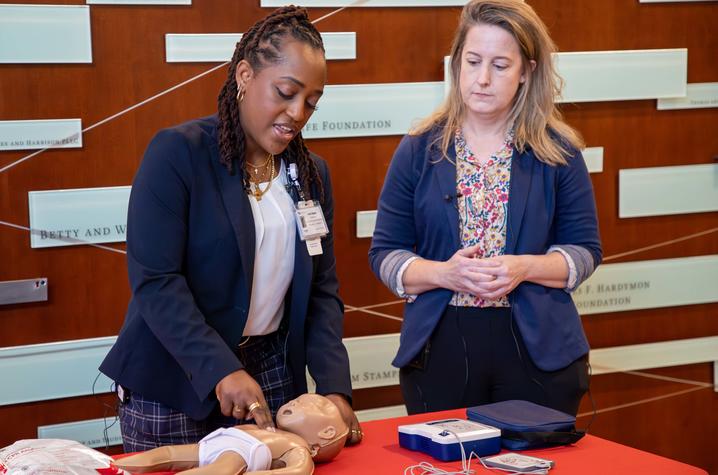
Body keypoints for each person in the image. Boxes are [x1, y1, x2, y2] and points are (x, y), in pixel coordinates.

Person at [99, 6, 361, 452]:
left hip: (273, 377)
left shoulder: (312, 174)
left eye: (311, 102)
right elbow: (157, 283)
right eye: (286, 92)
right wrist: (221, 370)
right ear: (244, 75)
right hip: (174, 382)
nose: (297, 113)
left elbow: (322, 291)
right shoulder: (177, 155)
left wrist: (335, 388)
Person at [369, 0, 601, 417]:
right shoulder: (419, 149)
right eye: (473, 61)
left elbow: (585, 253)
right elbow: (385, 254)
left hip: (538, 352)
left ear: (526, 71)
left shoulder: (559, 152)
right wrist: (444, 273)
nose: (482, 79)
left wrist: (523, 268)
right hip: (440, 349)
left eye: (500, 65)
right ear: (457, 63)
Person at [113, 394, 349, 475]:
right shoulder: (272, 429)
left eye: (313, 405)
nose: (298, 401)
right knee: (164, 454)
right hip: (218, 440)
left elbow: (296, 470)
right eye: (299, 399)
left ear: (327, 433)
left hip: (238, 455)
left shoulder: (297, 447)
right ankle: (109, 466)